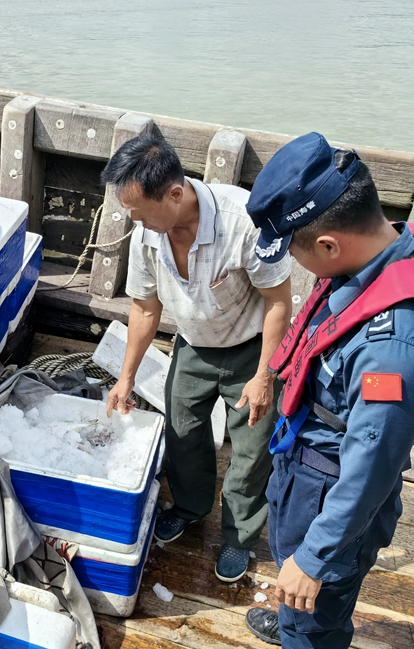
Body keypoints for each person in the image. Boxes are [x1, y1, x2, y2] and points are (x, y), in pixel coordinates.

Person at [228, 132, 414, 649]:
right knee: (295, 585)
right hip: (305, 459)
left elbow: (369, 468)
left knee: (319, 606)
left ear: (330, 243)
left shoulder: (398, 345)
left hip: (333, 486)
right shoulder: (372, 258)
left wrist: (314, 561)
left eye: (298, 254)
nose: (298, 267)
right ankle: (291, 615)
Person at [102, 134, 293, 583]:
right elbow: (145, 307)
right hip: (192, 344)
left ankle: (239, 538)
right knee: (184, 432)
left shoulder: (243, 220)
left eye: (141, 213)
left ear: (174, 193)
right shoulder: (148, 234)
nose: (137, 222)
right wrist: (126, 377)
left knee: (249, 451)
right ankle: (189, 506)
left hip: (252, 350)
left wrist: (265, 375)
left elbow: (279, 303)